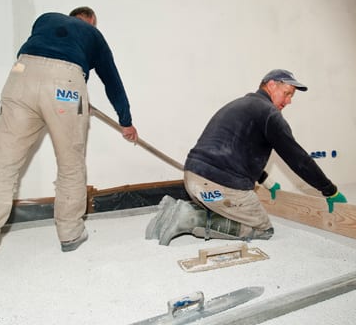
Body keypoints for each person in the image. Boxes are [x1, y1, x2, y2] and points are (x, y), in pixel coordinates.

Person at [0, 7, 138, 267]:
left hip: (21, 75)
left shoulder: (46, 19)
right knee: (70, 164)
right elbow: (112, 80)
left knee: (2, 166)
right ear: (90, 21)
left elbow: (40, 58)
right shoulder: (93, 34)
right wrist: (126, 121)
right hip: (65, 84)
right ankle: (70, 234)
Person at [146, 69, 345, 245]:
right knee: (262, 229)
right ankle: (190, 218)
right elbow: (298, 159)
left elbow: (240, 154)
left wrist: (267, 182)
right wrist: (329, 190)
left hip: (193, 182)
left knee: (229, 210)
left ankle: (174, 210)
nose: (289, 101)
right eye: (287, 93)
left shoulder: (239, 105)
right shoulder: (270, 114)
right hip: (218, 187)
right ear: (271, 85)